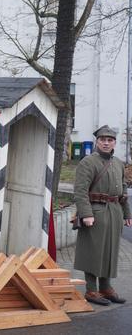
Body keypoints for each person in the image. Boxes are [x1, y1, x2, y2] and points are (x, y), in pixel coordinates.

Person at [73, 125, 132, 305]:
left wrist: (126, 213)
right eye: (102, 140)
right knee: (93, 250)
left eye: (110, 140)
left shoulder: (119, 163)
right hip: (95, 211)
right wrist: (86, 214)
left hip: (114, 211)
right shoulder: (88, 162)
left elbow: (123, 190)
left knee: (110, 250)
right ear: (97, 142)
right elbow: (80, 191)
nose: (106, 143)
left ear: (114, 142)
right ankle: (91, 290)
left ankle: (105, 287)